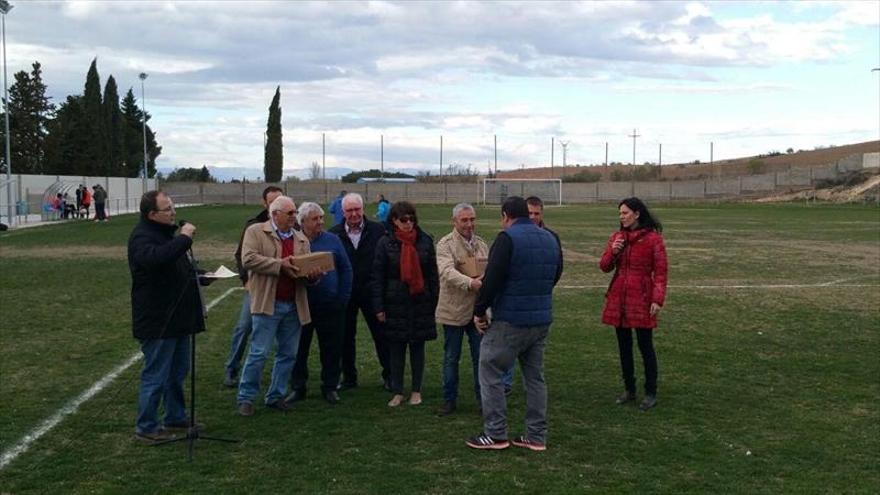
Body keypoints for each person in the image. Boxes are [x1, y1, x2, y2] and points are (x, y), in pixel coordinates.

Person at [466, 196, 561, 452]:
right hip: (541, 319)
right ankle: (536, 435)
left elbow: (492, 279)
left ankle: (495, 433)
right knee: (535, 378)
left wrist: (479, 311)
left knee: (490, 369)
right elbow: (556, 272)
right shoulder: (551, 238)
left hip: (511, 319)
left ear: (506, 216)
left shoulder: (507, 238)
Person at [127, 190, 205, 443]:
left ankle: (175, 415)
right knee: (156, 374)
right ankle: (146, 426)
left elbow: (177, 267)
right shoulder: (142, 237)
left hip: (178, 318)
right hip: (158, 320)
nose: (173, 212)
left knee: (177, 371)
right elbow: (156, 260)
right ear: (151, 214)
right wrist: (184, 238)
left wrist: (202, 276)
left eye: (173, 207)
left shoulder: (165, 236)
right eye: (167, 209)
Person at [236, 196, 316, 416]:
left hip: (293, 304)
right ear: (274, 214)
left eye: (294, 213)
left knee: (288, 354)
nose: (294, 217)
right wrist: (279, 265)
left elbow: (305, 269)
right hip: (267, 303)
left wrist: (313, 275)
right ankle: (246, 397)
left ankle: (276, 395)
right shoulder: (255, 232)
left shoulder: (301, 239)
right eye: (289, 213)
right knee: (259, 353)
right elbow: (248, 259)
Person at [599, 197, 668, 411]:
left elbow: (661, 272)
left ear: (637, 214)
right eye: (620, 213)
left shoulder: (653, 239)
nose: (622, 217)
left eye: (625, 213)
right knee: (624, 346)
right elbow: (604, 266)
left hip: (642, 297)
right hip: (619, 297)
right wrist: (614, 251)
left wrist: (657, 299)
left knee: (645, 345)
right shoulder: (617, 237)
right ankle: (629, 389)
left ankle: (650, 392)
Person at [371, 201, 439, 407]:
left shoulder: (425, 241)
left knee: (417, 348)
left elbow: (432, 275)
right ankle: (398, 391)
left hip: (420, 302)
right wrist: (379, 307)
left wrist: (435, 300)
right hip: (394, 303)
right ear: (394, 221)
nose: (409, 223)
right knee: (396, 349)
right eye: (404, 220)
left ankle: (417, 391)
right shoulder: (385, 243)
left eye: (412, 219)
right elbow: (377, 277)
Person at [286, 202, 353, 405]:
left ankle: (330, 386)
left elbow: (346, 269)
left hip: (330, 305)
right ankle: (298, 387)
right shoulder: (294, 241)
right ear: (303, 221)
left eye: (322, 218)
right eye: (315, 219)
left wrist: (342, 298)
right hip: (302, 304)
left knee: (331, 348)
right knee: (299, 348)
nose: (321, 222)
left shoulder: (333, 240)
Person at [501, 196, 564, 394]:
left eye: (537, 213)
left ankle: (531, 387)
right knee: (508, 346)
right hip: (515, 301)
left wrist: (541, 287)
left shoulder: (551, 237)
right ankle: (505, 382)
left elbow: (557, 269)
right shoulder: (510, 235)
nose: (534, 217)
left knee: (532, 352)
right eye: (530, 213)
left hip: (537, 301)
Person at [222, 186, 284, 388]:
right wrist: (245, 280)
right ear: (264, 203)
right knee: (245, 327)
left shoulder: (293, 225)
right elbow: (241, 255)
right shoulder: (253, 225)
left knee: (283, 333)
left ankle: (281, 374)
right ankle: (232, 368)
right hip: (257, 286)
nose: (276, 205)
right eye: (272, 201)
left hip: (282, 286)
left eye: (279, 200)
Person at [329, 192, 391, 390]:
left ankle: (390, 376)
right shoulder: (334, 234)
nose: (354, 214)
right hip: (346, 293)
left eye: (357, 209)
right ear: (343, 212)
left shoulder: (379, 230)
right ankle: (349, 378)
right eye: (349, 210)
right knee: (345, 336)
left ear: (363, 209)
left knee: (381, 335)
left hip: (372, 292)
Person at [435, 203, 489, 416]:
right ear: (454, 222)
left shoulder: (482, 244)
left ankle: (483, 400)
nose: (469, 224)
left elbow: (491, 269)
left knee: (481, 357)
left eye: (472, 219)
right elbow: (446, 271)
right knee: (451, 357)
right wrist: (471, 282)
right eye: (464, 220)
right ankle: (449, 399)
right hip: (453, 309)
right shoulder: (445, 244)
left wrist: (484, 280)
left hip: (478, 311)